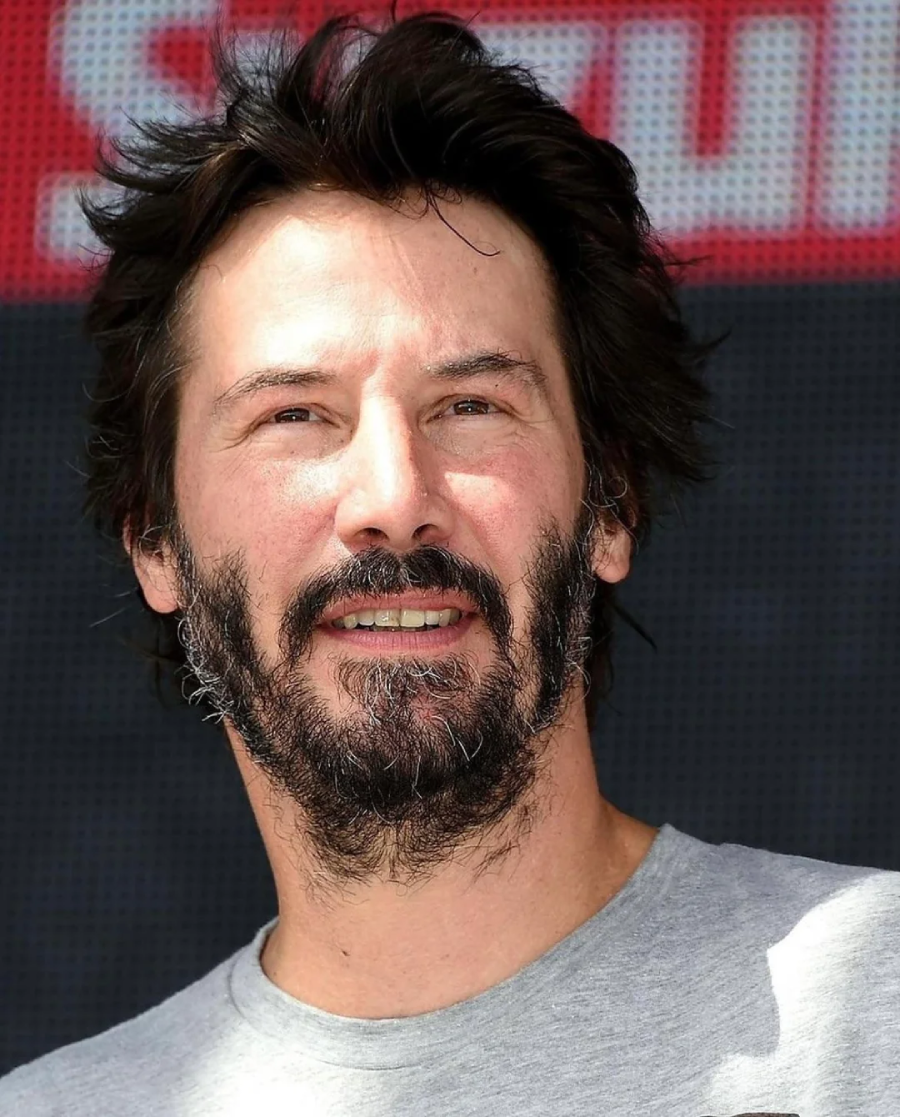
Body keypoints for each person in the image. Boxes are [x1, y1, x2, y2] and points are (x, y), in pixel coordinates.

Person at [2, 11, 897, 1116]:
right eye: (295, 415)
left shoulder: (876, 1007)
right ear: (156, 542)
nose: (394, 499)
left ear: (610, 506)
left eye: (470, 405)